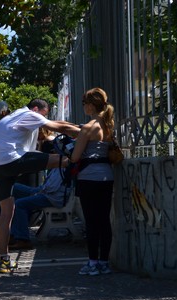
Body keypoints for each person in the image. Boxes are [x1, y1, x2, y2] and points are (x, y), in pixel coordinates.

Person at [0, 99, 80, 273]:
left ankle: (4, 261)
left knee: (7, 213)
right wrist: (86, 134)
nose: (41, 122)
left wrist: (76, 125)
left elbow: (60, 123)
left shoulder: (14, 116)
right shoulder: (29, 114)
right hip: (12, 159)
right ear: (36, 109)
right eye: (43, 116)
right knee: (64, 161)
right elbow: (59, 128)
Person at [70, 88, 115, 276]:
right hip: (107, 176)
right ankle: (104, 262)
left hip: (88, 177)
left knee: (91, 221)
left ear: (90, 105)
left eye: (84, 104)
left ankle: (92, 262)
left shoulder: (88, 128)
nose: (84, 107)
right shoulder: (109, 125)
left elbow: (75, 157)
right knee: (104, 220)